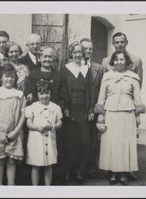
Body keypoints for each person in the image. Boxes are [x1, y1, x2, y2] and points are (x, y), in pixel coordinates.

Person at [95, 50, 145, 185]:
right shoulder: (107, 77)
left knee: (125, 143)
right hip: (110, 114)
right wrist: (100, 115)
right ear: (112, 62)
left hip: (127, 114)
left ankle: (123, 173)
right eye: (116, 60)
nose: (119, 62)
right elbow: (101, 98)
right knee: (111, 143)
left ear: (127, 62)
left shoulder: (133, 77)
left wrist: (138, 115)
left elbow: (137, 99)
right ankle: (112, 172)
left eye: (122, 60)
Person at [60, 42, 94, 184]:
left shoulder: (87, 70)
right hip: (70, 111)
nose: (78, 54)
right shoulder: (65, 69)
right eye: (75, 52)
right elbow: (62, 91)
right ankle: (69, 170)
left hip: (83, 111)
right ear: (71, 54)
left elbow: (92, 91)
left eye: (80, 52)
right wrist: (65, 108)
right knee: (70, 142)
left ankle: (80, 170)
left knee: (83, 142)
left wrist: (91, 109)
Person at [25, 80, 63, 185]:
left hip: (50, 140)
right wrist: (37, 128)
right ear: (37, 94)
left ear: (51, 93)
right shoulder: (32, 107)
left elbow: (60, 123)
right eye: (41, 93)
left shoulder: (55, 107)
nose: (44, 96)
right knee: (36, 165)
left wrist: (52, 126)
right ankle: (35, 188)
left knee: (48, 164)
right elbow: (28, 123)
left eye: (47, 93)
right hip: (36, 140)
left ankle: (47, 188)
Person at [80, 38, 104, 177]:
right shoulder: (73, 66)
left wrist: (99, 110)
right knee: (79, 139)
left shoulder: (98, 68)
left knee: (92, 139)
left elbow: (101, 90)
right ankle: (79, 168)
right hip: (78, 109)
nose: (88, 51)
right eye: (85, 48)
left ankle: (90, 168)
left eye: (90, 49)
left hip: (93, 109)